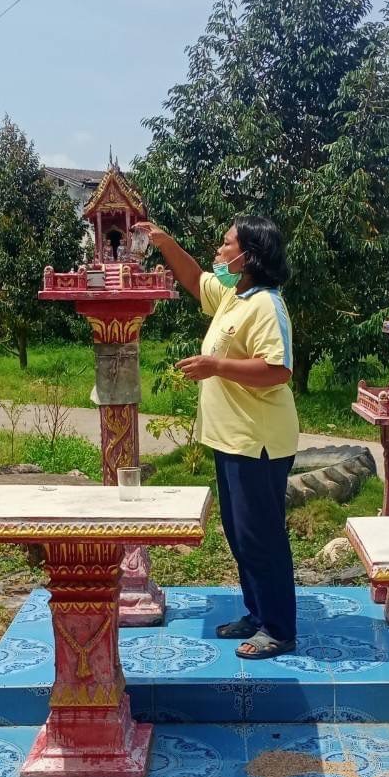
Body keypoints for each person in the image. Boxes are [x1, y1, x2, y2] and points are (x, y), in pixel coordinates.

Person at [132, 216, 299, 659]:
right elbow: (194, 279)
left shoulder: (266, 305)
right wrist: (165, 242)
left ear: (249, 256)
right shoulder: (233, 295)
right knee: (240, 535)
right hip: (230, 440)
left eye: (227, 245)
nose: (219, 252)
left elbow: (278, 369)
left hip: (258, 442)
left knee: (261, 537)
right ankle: (257, 613)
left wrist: (216, 366)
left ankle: (279, 629)